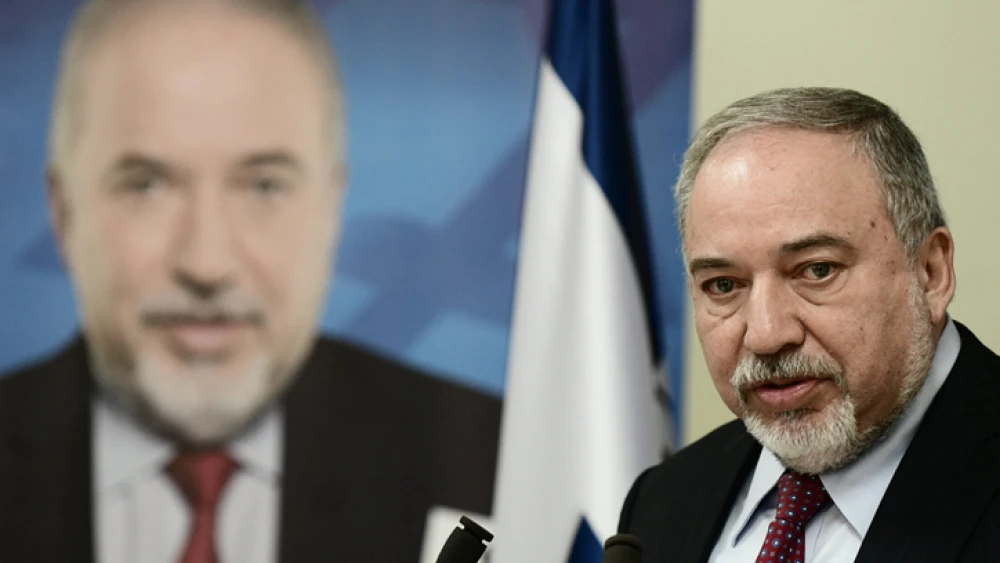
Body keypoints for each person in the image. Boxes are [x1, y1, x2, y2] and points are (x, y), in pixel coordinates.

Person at [0, 1, 501, 561]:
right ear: (64, 211)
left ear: (331, 209)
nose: (207, 263)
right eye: (146, 186)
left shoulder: (500, 468)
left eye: (263, 186)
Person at [617, 87, 1000, 562]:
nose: (766, 334)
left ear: (930, 273)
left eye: (816, 270)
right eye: (722, 285)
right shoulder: (661, 500)